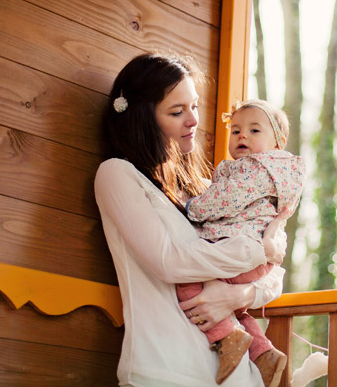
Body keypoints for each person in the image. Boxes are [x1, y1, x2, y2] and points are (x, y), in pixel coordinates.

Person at [94, 53, 289, 387]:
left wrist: (239, 297)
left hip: (236, 375)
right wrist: (259, 249)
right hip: (165, 369)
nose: (193, 120)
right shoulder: (117, 175)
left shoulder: (206, 195)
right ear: (143, 118)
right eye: (176, 111)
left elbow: (276, 275)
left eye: (194, 106)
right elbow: (169, 262)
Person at [179, 100, 305, 387]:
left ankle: (226, 337)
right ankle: (263, 353)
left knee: (185, 283)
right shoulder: (279, 175)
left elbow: (226, 199)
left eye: (254, 130)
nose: (242, 136)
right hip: (255, 260)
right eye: (235, 130)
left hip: (239, 251)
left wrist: (193, 208)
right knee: (236, 309)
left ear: (278, 143)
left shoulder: (255, 169)